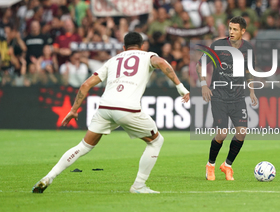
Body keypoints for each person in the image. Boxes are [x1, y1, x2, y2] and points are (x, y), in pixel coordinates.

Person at [32, 32, 190, 194]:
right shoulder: (147, 56)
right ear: (142, 46)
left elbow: (86, 85)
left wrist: (73, 110)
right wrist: (179, 86)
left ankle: (49, 177)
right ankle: (138, 185)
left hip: (105, 107)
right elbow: (163, 63)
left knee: (84, 146)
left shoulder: (113, 60)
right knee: (156, 141)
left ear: (123, 47)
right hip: (128, 108)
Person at [195, 16, 258, 181]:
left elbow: (248, 72)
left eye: (235, 29)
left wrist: (252, 92)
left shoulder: (248, 49)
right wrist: (203, 85)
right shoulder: (218, 45)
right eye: (230, 28)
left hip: (238, 97)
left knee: (242, 133)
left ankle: (227, 165)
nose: (231, 32)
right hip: (219, 95)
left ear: (243, 31)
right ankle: (210, 165)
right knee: (222, 134)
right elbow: (199, 64)